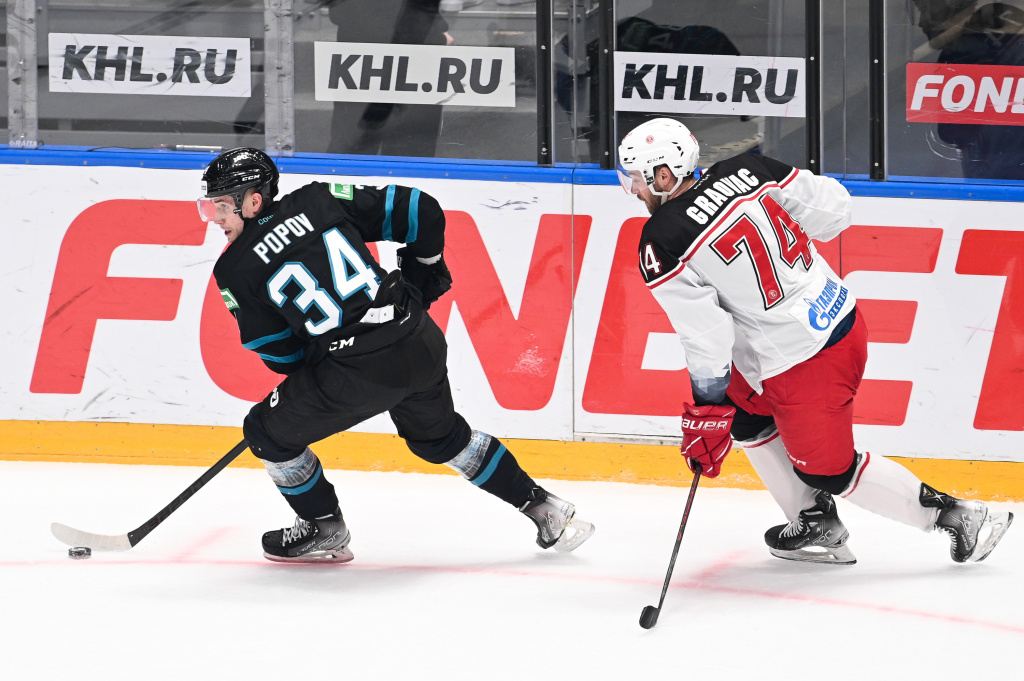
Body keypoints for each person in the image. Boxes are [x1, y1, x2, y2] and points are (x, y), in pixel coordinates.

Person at [616, 117, 1013, 564]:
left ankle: (959, 517)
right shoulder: (748, 169)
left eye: (637, 179)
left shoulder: (662, 239)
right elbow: (835, 209)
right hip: (840, 319)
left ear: (663, 175)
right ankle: (815, 520)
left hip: (805, 362)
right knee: (742, 413)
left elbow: (706, 335)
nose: (633, 190)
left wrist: (705, 405)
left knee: (828, 470)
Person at [198, 147, 595, 563]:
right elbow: (420, 210)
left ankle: (324, 526)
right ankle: (545, 508)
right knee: (441, 439)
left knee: (265, 432)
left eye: (221, 206)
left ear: (253, 201)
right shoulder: (319, 198)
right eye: (208, 207)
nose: (215, 218)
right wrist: (423, 270)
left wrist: (317, 360)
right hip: (417, 338)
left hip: (357, 373)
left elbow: (278, 352)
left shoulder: (234, 269)